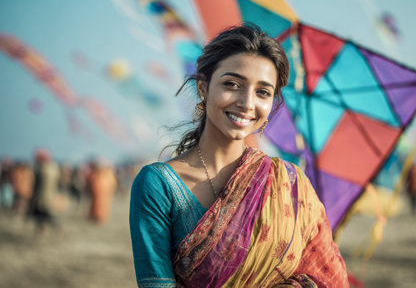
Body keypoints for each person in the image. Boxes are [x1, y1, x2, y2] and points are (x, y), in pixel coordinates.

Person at [129, 25, 349, 287]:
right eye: (232, 84)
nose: (247, 103)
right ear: (203, 87)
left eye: (263, 92)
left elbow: (326, 275)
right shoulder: (159, 186)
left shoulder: (289, 184)